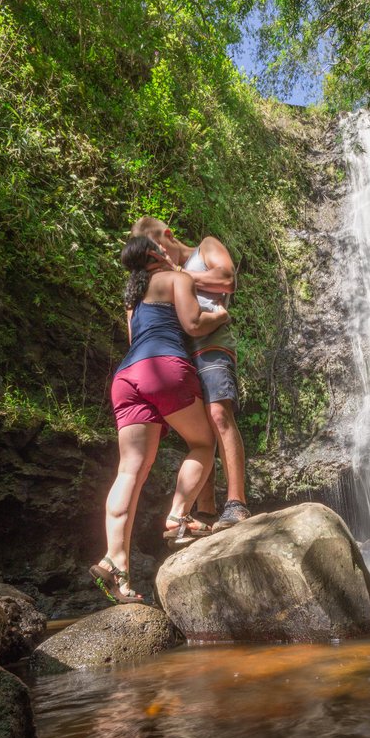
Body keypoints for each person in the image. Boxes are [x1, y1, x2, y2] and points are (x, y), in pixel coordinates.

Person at [89, 236, 230, 604]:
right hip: (164, 368)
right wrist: (221, 314)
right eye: (163, 250)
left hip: (128, 376)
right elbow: (194, 323)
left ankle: (114, 562)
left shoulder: (132, 299)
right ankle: (179, 517)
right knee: (202, 443)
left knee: (129, 472)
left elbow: (136, 337)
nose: (170, 254)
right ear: (155, 255)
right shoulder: (176, 278)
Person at [130, 217, 250, 532]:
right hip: (177, 355)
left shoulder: (205, 247)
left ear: (167, 236)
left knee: (219, 415)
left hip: (211, 345)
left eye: (155, 252)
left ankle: (236, 502)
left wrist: (179, 272)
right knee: (198, 436)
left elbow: (226, 279)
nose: (153, 262)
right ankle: (206, 510)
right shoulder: (162, 277)